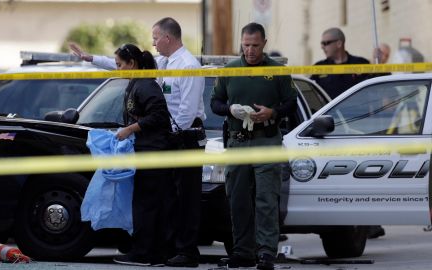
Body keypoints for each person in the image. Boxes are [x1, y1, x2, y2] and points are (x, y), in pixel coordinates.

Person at [70, 17, 205, 267]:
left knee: (186, 200)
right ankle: (167, 250)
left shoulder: (188, 65)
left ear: (167, 37)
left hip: (184, 139)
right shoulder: (164, 62)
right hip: (168, 140)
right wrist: (91, 58)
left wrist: (170, 136)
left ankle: (187, 252)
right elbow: (123, 65)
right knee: (168, 200)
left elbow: (186, 112)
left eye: (155, 38)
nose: (153, 44)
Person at [210, 22, 298, 270]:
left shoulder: (277, 70)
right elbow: (215, 102)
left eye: (255, 46)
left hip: (267, 140)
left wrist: (273, 112)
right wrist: (230, 109)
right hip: (237, 142)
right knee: (237, 199)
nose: (250, 50)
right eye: (246, 45)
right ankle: (243, 251)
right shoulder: (230, 70)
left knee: (266, 199)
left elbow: (291, 103)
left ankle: (267, 252)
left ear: (264, 44)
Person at [111, 43, 175, 266]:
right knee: (147, 203)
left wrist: (130, 129)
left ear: (132, 63)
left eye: (120, 65)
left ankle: (145, 253)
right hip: (144, 150)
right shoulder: (136, 84)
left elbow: (159, 116)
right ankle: (151, 252)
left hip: (153, 152)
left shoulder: (146, 85)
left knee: (147, 204)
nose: (118, 69)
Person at [310, 27, 370, 99]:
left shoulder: (361, 63)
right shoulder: (319, 67)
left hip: (357, 109)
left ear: (339, 43)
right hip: (329, 110)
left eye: (326, 43)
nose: (322, 47)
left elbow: (372, 91)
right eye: (322, 43)